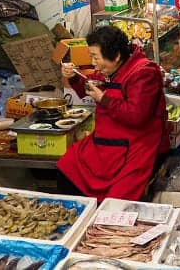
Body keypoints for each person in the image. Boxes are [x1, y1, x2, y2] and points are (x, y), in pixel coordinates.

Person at [57, 25, 169, 201]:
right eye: (91, 56)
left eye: (95, 57)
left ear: (116, 55)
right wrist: (74, 77)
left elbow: (136, 115)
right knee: (67, 166)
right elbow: (91, 85)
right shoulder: (110, 69)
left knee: (116, 200)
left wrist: (104, 99)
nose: (93, 63)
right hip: (105, 143)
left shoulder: (143, 73)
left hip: (137, 146)